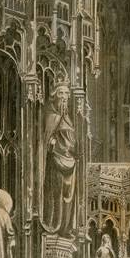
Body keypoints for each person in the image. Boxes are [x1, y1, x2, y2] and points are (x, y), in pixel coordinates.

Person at [41, 83, 77, 236]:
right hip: (55, 162)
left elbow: (72, 139)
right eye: (61, 93)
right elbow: (45, 139)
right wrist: (52, 143)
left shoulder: (68, 117)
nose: (64, 97)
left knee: (68, 196)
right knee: (56, 194)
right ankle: (53, 226)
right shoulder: (50, 116)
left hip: (70, 162)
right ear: (54, 96)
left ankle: (65, 227)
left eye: (67, 94)